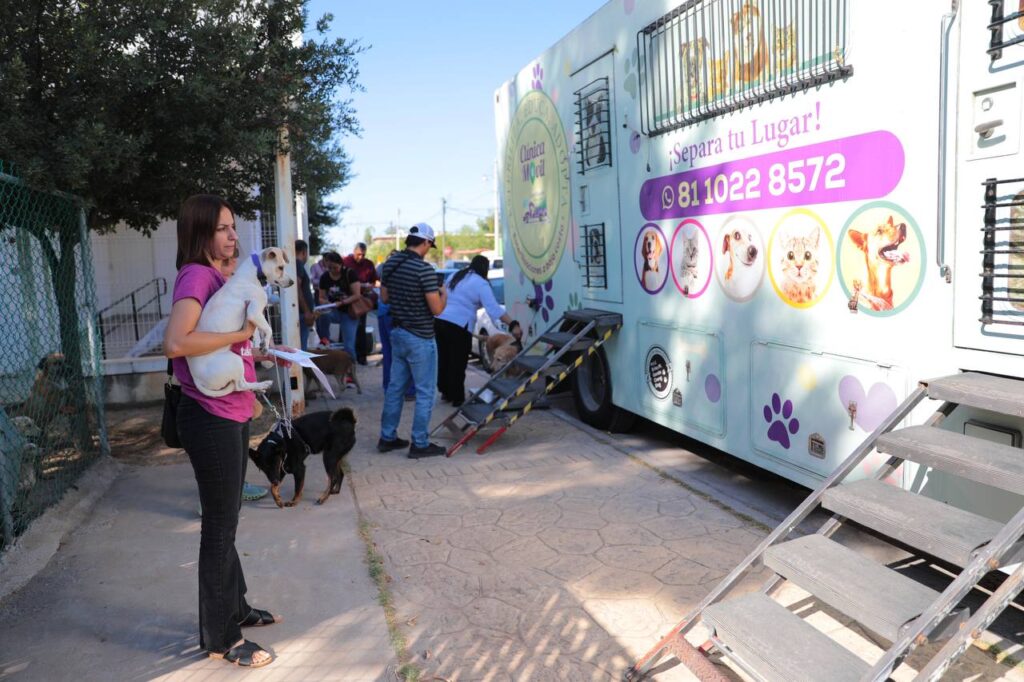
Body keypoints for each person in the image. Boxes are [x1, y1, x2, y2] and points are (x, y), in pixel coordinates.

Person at [163, 194, 285, 668]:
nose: (234, 236)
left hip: (229, 410)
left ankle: (236, 607)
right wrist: (239, 337)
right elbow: (179, 342)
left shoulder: (225, 279)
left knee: (228, 516)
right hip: (207, 414)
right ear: (199, 233)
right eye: (223, 229)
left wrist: (261, 350)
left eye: (234, 227)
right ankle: (222, 638)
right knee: (218, 526)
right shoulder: (196, 276)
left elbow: (220, 343)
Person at [377, 223, 448, 457]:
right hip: (420, 337)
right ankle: (419, 443)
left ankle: (387, 437)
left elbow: (385, 298)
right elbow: (437, 309)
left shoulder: (390, 265)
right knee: (426, 391)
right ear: (426, 242)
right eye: (430, 245)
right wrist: (443, 294)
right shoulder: (424, 270)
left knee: (395, 389)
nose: (429, 249)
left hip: (397, 333)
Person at [435, 255, 521, 407]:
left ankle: (445, 392)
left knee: (444, 358)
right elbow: (494, 309)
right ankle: (457, 398)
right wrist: (513, 323)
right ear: (485, 269)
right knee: (458, 361)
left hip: (440, 320)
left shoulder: (456, 275)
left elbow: (443, 294)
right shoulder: (481, 283)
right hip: (459, 325)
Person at [376, 250, 415, 400]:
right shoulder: (403, 272)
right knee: (406, 354)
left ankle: (389, 389)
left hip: (383, 314)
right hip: (396, 316)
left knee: (388, 354)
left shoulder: (385, 269)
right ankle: (409, 390)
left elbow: (383, 296)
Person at [315, 251, 360, 356]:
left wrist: (343, 302)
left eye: (335, 267)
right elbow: (321, 297)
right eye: (329, 268)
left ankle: (351, 367)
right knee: (321, 315)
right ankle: (325, 339)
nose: (332, 271)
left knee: (349, 345)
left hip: (349, 312)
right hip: (333, 310)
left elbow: (357, 295)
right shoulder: (324, 277)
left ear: (341, 264)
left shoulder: (349, 273)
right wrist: (327, 302)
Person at [342, 242, 378, 365]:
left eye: (363, 255)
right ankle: (346, 358)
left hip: (362, 300)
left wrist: (370, 286)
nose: (360, 257)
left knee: (361, 327)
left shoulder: (368, 264)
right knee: (347, 329)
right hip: (348, 299)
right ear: (354, 252)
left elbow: (374, 280)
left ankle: (361, 357)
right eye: (358, 254)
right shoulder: (346, 262)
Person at [294, 240, 316, 351]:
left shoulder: (295, 265)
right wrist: (307, 311)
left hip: (301, 313)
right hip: (302, 314)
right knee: (301, 348)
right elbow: (296, 288)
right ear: (304, 252)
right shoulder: (298, 264)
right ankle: (300, 368)